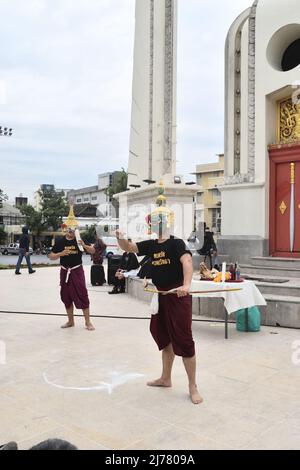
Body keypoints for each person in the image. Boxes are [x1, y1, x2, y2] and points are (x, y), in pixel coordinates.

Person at [115, 181, 203, 405]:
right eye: (155, 220)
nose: (158, 223)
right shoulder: (152, 245)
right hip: (161, 297)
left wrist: (186, 285)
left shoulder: (176, 244)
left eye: (161, 220)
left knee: (184, 340)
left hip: (178, 296)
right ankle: (165, 378)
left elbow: (187, 262)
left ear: (168, 222)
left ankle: (192, 386)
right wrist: (119, 237)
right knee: (164, 339)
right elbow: (129, 248)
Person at [48, 206, 95, 331]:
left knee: (82, 294)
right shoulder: (60, 242)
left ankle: (88, 322)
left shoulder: (79, 240)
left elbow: (93, 251)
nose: (71, 231)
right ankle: (70, 321)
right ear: (65, 229)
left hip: (77, 271)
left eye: (74, 229)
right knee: (66, 296)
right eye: (69, 229)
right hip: (65, 271)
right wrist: (59, 254)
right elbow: (50, 256)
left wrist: (84, 245)